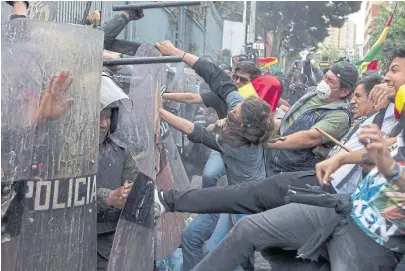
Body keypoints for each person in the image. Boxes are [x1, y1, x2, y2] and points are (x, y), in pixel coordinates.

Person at [156, 40, 276, 270]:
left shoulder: (238, 146)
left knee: (219, 253)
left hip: (246, 206)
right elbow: (217, 78)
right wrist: (179, 53)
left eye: (236, 114)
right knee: (191, 236)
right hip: (228, 195)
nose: (231, 110)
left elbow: (195, 132)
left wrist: (159, 111)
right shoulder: (241, 105)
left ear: (246, 127)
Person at [264, 62, 357, 176]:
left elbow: (310, 138)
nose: (324, 82)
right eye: (325, 77)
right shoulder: (313, 93)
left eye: (330, 81)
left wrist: (269, 143)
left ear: (344, 91)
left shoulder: (340, 116)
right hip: (275, 157)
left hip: (292, 169)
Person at [96, 71, 139, 271]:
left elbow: (133, 187)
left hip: (110, 244)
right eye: (98, 116)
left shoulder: (120, 152)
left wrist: (129, 194)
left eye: (107, 116)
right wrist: (109, 198)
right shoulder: (67, 153)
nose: (104, 124)